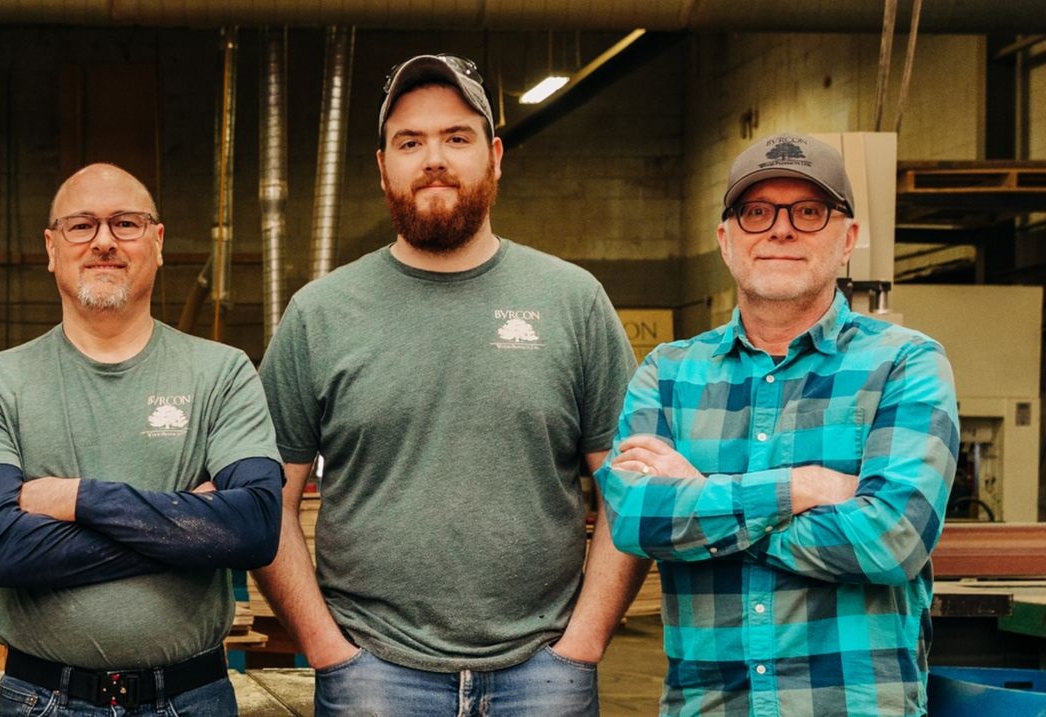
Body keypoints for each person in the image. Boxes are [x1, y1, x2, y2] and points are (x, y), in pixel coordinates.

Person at [253, 54, 647, 715]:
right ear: (382, 167)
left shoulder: (573, 302)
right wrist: (327, 648)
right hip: (372, 675)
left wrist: (583, 641)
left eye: (456, 138)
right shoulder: (318, 315)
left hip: (544, 675)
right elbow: (266, 503)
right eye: (410, 142)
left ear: (495, 156)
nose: (434, 158)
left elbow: (629, 493)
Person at [597, 132, 960, 715]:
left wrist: (702, 503)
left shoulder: (905, 363)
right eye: (756, 212)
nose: (781, 229)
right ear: (725, 240)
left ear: (849, 240)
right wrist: (802, 488)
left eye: (809, 212)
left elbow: (894, 540)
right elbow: (637, 519)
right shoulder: (668, 373)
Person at [0, 163, 283, 716]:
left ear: (156, 243)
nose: (104, 241)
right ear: (51, 247)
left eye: (125, 224)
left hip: (192, 698)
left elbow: (253, 527)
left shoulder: (222, 373)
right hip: (44, 700)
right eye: (81, 226)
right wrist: (189, 530)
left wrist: (78, 498)